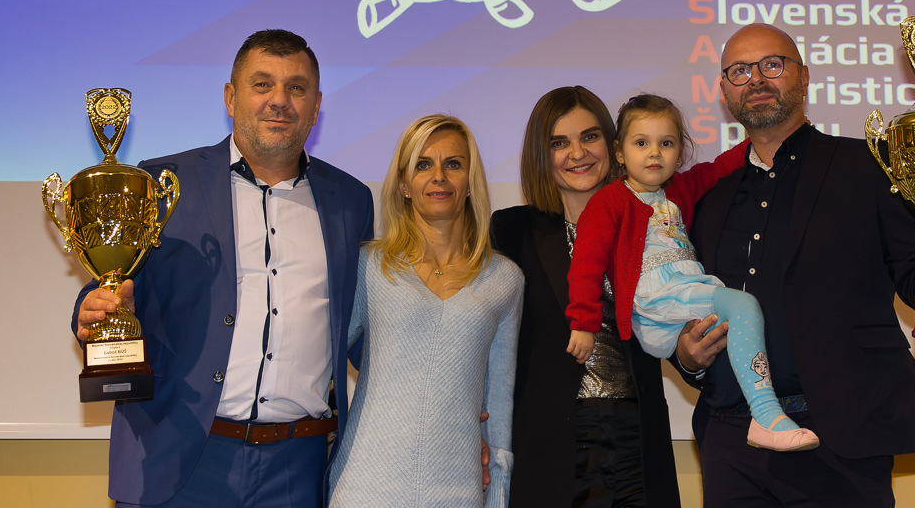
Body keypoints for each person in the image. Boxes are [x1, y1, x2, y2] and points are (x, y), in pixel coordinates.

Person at [673, 23, 915, 508]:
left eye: (772, 65)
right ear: (724, 90)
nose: (756, 79)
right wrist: (686, 357)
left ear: (804, 77)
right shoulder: (713, 200)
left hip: (839, 436)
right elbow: (685, 306)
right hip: (731, 437)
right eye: (739, 70)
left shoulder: (870, 166)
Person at [72, 29, 376, 508]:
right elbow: (108, 287)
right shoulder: (163, 183)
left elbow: (367, 330)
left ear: (316, 106)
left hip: (296, 470)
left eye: (296, 88)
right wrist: (94, 312)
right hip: (177, 462)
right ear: (231, 98)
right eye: (262, 84)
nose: (280, 101)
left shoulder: (351, 201)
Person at [566, 95, 817, 452]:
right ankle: (765, 415)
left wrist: (773, 137)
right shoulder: (608, 201)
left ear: (680, 152)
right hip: (657, 298)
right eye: (641, 143)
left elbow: (719, 167)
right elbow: (586, 264)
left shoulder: (679, 189)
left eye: (666, 144)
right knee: (744, 306)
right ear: (619, 152)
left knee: (750, 318)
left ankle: (761, 412)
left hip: (685, 296)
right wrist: (583, 323)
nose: (654, 153)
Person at [489, 87, 682, 508]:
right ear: (541, 155)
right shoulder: (511, 231)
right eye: (559, 143)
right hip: (550, 442)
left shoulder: (655, 220)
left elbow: (678, 308)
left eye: (590, 137)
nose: (577, 153)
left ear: (614, 145)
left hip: (637, 436)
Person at [326, 114, 523, 508]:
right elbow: (315, 365)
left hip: (458, 491)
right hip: (363, 488)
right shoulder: (369, 267)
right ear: (403, 184)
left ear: (470, 181)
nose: (439, 177)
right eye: (423, 164)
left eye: (453, 164)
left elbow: (498, 408)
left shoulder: (505, 280)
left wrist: (498, 494)